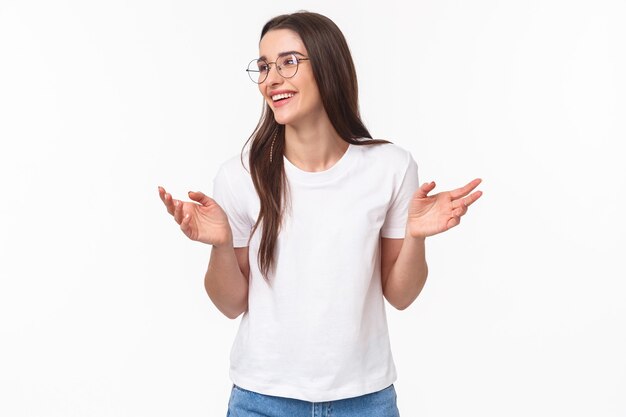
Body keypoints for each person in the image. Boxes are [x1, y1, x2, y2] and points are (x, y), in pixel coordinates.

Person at [158, 10, 482, 417]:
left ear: (328, 66)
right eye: (263, 66)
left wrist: (415, 237)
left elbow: (401, 296)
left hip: (365, 400)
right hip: (262, 399)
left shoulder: (391, 167)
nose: (271, 78)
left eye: (288, 62)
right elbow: (230, 304)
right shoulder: (239, 175)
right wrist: (222, 245)